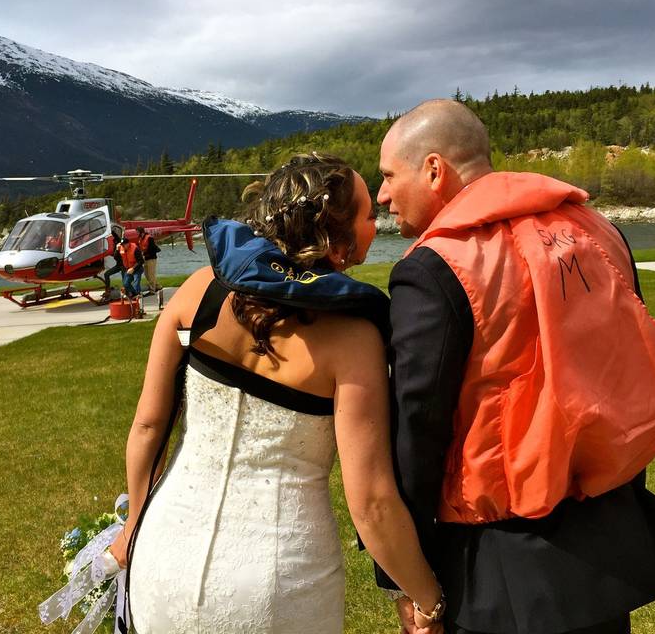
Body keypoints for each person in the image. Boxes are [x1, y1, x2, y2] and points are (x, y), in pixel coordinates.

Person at [375, 100, 655, 634]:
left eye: (389, 176)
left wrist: (408, 577)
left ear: (435, 170)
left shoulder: (436, 267)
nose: (383, 195)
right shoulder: (598, 231)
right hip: (606, 544)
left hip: (497, 564)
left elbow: (416, 432)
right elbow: (625, 371)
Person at [108, 153, 445, 633]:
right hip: (281, 580)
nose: (378, 222)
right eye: (369, 214)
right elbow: (371, 503)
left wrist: (133, 526)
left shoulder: (198, 290)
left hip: (163, 553)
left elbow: (147, 426)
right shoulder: (353, 339)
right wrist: (426, 597)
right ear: (335, 233)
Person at [137, 226, 162, 295]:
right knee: (147, 274)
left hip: (151, 258)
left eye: (137, 232)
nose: (137, 234)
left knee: (151, 274)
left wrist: (145, 253)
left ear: (140, 232)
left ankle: (152, 290)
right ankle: (157, 286)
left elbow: (153, 248)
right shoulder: (140, 239)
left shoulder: (149, 238)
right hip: (145, 258)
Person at [102, 229, 126, 298]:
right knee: (106, 274)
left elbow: (119, 238)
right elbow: (114, 254)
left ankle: (126, 292)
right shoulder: (113, 244)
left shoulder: (118, 242)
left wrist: (110, 230)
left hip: (124, 265)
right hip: (118, 265)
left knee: (124, 280)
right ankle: (108, 289)